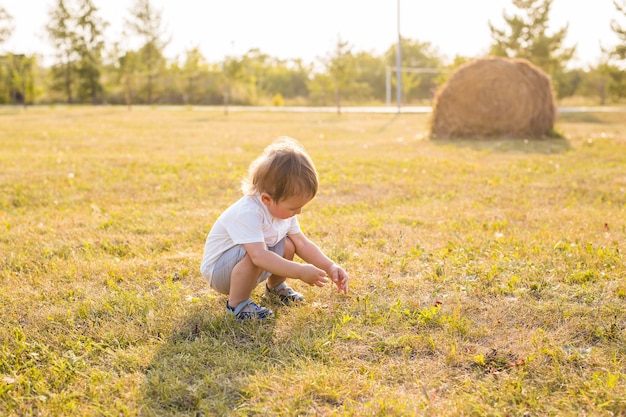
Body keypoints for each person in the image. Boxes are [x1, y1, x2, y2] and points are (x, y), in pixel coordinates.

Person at [200, 136, 349, 320]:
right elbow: (259, 256)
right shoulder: (248, 212)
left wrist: (330, 266)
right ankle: (237, 306)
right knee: (258, 255)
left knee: (289, 244)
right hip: (220, 272)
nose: (299, 212)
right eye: (293, 207)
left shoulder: (282, 212)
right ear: (266, 199)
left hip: (242, 264)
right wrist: (300, 272)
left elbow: (302, 244)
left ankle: (276, 288)